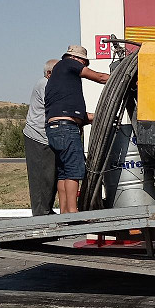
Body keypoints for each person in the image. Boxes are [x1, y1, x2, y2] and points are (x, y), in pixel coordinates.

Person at [44, 45, 110, 213]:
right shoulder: (68, 64)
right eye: (83, 62)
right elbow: (100, 77)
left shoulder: (56, 81)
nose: (84, 65)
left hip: (54, 128)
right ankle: (74, 212)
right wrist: (125, 78)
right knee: (74, 170)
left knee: (64, 172)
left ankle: (65, 213)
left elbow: (77, 115)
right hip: (67, 129)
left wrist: (102, 115)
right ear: (75, 59)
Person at [22, 59, 59, 215]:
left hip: (46, 137)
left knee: (50, 177)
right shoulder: (44, 84)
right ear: (49, 73)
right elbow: (57, 108)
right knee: (41, 178)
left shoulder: (50, 84)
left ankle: (46, 211)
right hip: (38, 137)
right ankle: (41, 215)